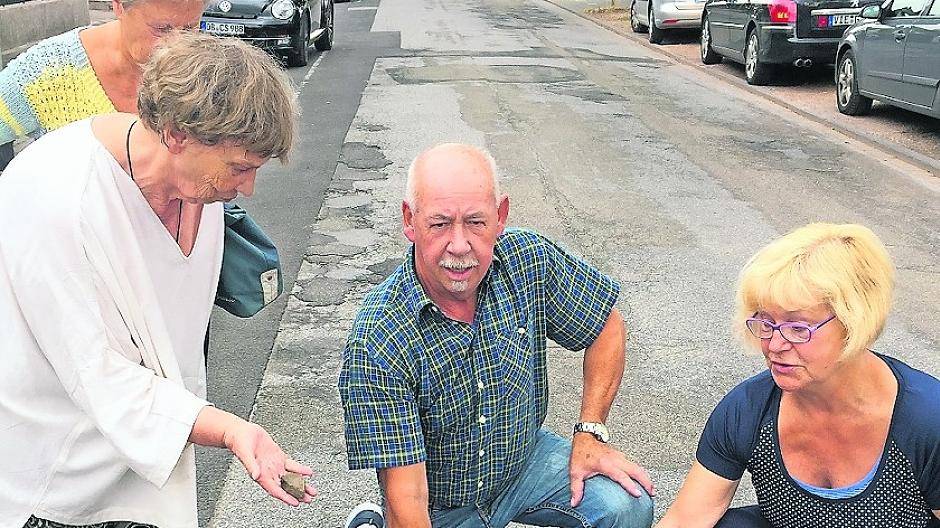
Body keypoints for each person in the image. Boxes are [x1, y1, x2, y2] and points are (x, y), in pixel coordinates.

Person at [0, 32, 314, 528]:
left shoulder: (195, 190)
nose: (248, 189)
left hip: (151, 478)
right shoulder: (58, 198)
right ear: (176, 133)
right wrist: (233, 431)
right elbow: (98, 371)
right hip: (57, 493)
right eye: (240, 167)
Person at [338, 143, 655, 528]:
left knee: (626, 505)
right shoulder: (378, 339)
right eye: (439, 224)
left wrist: (590, 433)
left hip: (523, 465)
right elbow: (409, 496)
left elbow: (607, 326)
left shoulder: (529, 260)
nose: (459, 245)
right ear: (410, 220)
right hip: (440, 505)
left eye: (476, 222)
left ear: (500, 216)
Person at [656, 223, 940, 528]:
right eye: (766, 322)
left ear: (855, 322)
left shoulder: (926, 420)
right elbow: (686, 518)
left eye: (797, 328)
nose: (775, 345)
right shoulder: (750, 409)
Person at [0, 0, 206, 148]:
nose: (178, 44)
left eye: (190, 28)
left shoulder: (208, 70)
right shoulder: (47, 71)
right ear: (118, 6)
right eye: (162, 28)